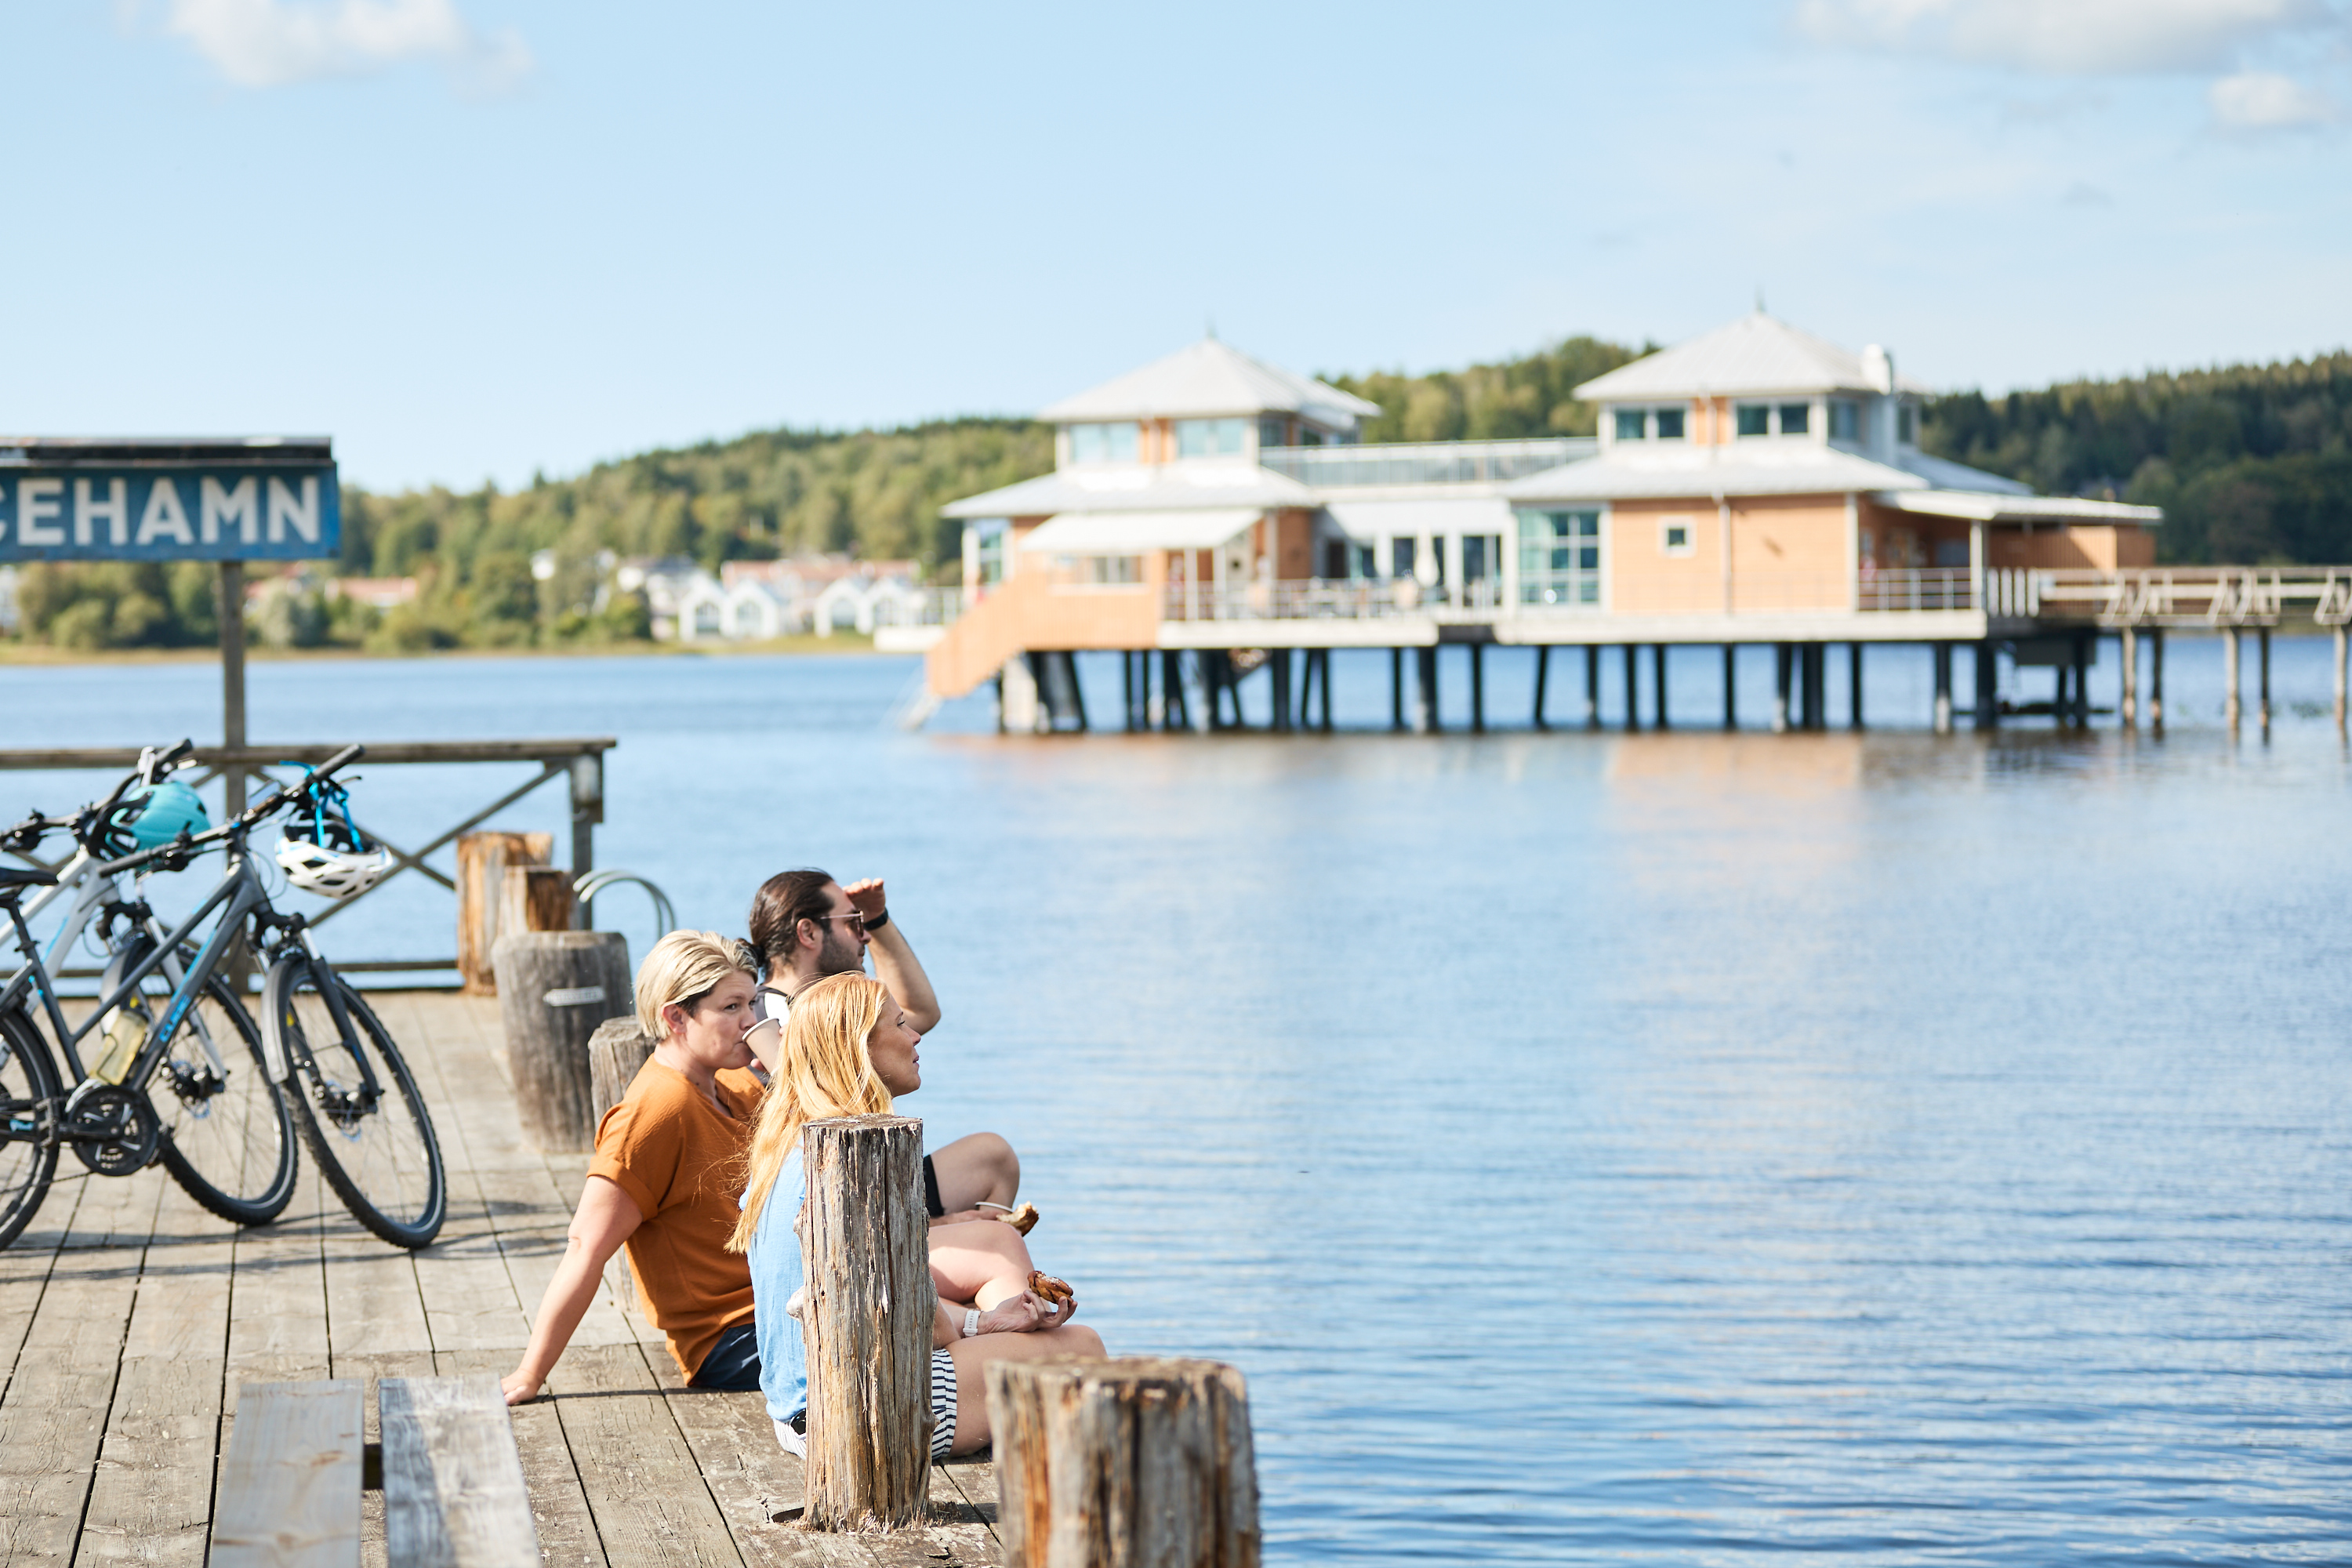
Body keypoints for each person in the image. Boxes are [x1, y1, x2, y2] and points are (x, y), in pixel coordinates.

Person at [730, 971, 1102, 1459]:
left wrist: (982, 1325)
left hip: (798, 1414)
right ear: (858, 1047)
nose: (915, 1035)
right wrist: (979, 1328)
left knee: (1024, 1339)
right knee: (1083, 1348)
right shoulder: (860, 1158)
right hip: (858, 1419)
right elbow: (922, 1323)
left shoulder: (793, 1141)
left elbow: (897, 1297)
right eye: (900, 1024)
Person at [503, 931, 764, 1405]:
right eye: (731, 1008)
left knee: (933, 1296)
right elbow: (585, 1247)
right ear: (676, 1017)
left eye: (753, 1003)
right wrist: (529, 1373)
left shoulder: (737, 1086)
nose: (750, 1022)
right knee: (929, 1326)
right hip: (732, 1341)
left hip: (778, 1308)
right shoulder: (654, 1113)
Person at [745, 869, 1021, 1225]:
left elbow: (920, 1012)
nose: (864, 937)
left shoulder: (832, 1011)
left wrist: (879, 919)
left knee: (994, 1158)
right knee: (992, 1235)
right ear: (808, 932)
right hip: (830, 1204)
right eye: (853, 921)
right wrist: (938, 1226)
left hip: (858, 1180)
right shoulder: (774, 1021)